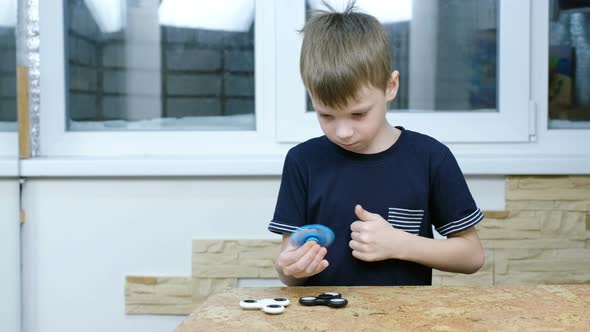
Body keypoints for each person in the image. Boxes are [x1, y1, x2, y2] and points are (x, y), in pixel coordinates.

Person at [268, 1, 485, 286]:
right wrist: (290, 269)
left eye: (358, 114)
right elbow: (290, 271)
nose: (343, 132)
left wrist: (399, 244)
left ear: (390, 86)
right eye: (326, 115)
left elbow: (472, 256)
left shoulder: (431, 158)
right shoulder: (302, 161)